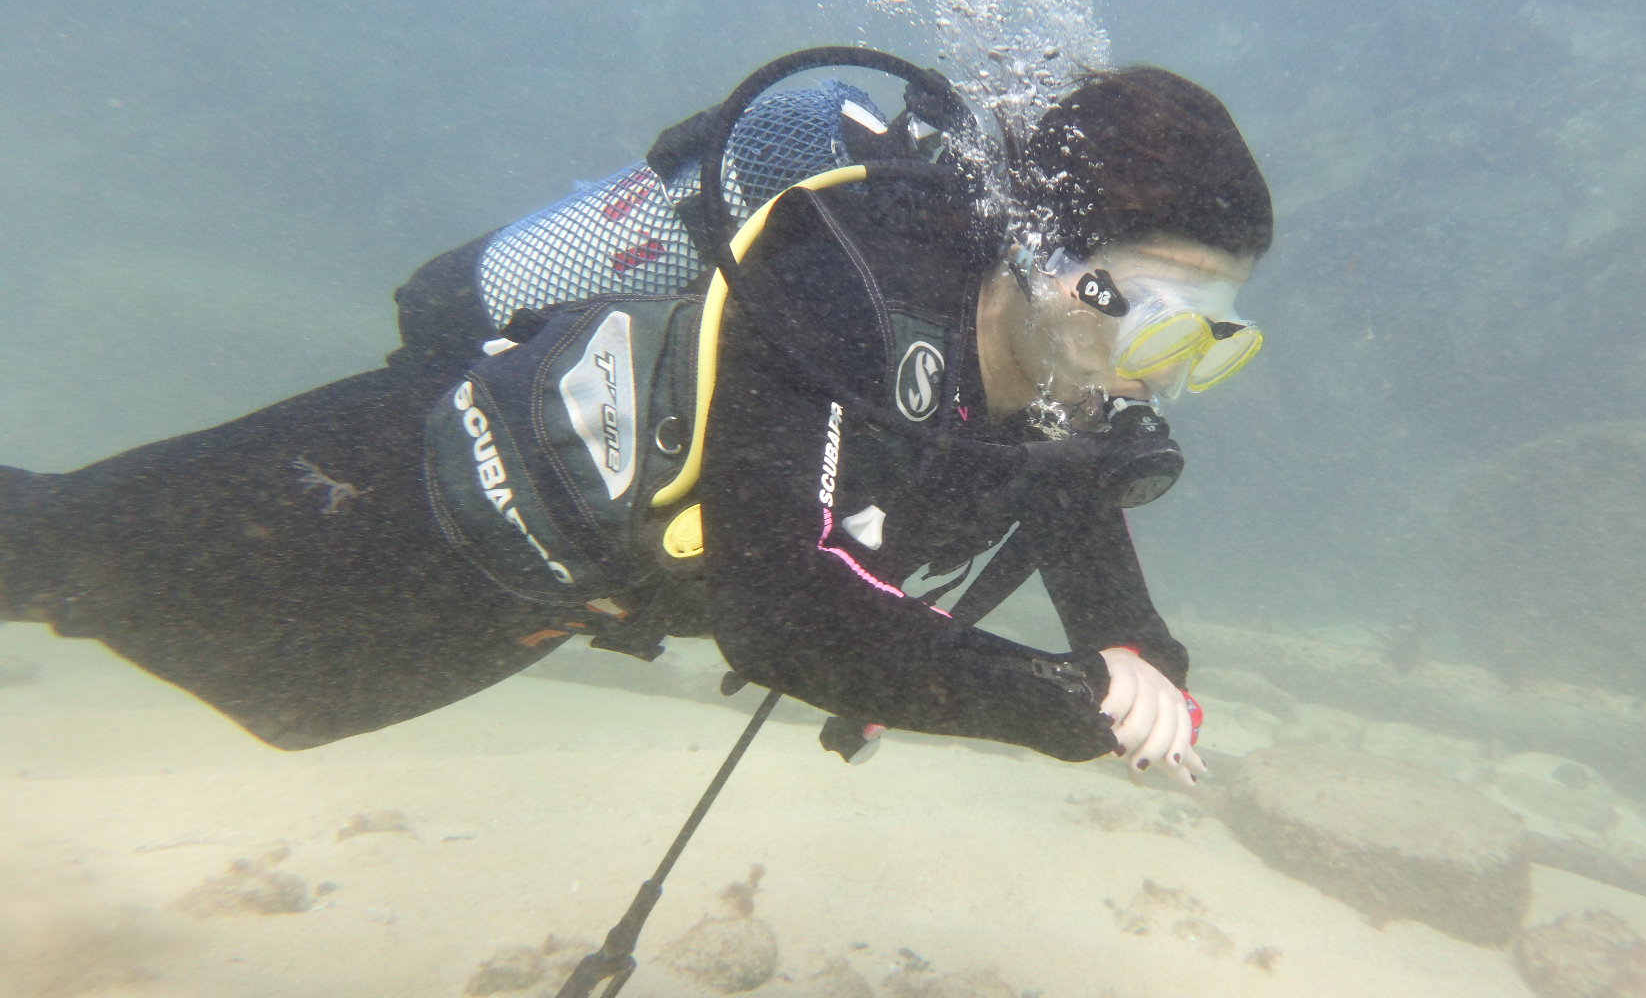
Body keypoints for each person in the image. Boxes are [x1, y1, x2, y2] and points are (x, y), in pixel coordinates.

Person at [0, 48, 1272, 785]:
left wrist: (1139, 661)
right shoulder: (843, 274)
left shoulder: (1063, 389)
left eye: (1213, 337)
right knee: (45, 550)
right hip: (416, 476)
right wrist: (1060, 701)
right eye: (1163, 319)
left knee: (132, 616)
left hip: (527, 598)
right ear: (1051, 260)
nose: (1166, 372)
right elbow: (785, 611)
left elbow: (1085, 535)